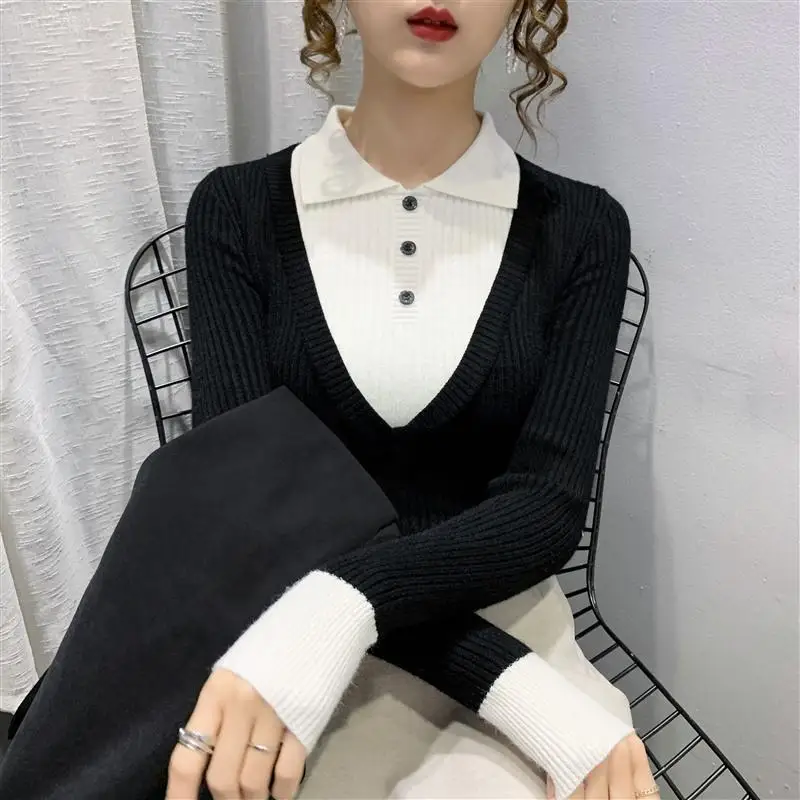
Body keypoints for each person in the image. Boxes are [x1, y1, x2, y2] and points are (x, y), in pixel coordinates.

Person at [167, 1, 662, 799]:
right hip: (276, 621)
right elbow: (244, 503)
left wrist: (348, 606)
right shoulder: (238, 209)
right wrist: (523, 695)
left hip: (502, 613)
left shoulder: (581, 228)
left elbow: (545, 505)